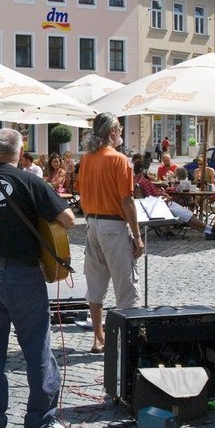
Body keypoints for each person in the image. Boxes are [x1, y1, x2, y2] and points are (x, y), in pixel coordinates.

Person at [0, 128, 75, 428]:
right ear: (20, 150)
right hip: (23, 274)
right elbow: (68, 219)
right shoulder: (32, 181)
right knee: (36, 348)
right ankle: (39, 419)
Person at [74, 112, 143, 354]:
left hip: (92, 223)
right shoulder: (119, 160)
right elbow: (127, 201)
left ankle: (98, 337)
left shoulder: (87, 159)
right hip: (113, 226)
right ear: (112, 132)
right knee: (126, 286)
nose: (122, 134)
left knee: (95, 284)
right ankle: (127, 342)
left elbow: (81, 195)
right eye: (120, 130)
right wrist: (137, 235)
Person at [134, 163, 215, 239]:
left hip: (152, 206)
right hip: (158, 206)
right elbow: (152, 196)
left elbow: (150, 195)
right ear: (142, 169)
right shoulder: (144, 181)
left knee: (186, 215)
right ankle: (209, 230)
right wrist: (165, 197)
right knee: (187, 214)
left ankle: (208, 231)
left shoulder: (136, 180)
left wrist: (163, 194)